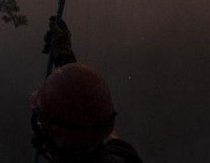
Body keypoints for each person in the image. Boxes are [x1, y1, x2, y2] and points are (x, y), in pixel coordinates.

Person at [31, 17, 142, 162]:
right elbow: (95, 126)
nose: (39, 128)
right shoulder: (125, 158)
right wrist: (67, 63)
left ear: (60, 138)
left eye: (42, 121)